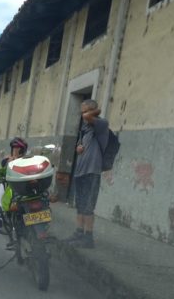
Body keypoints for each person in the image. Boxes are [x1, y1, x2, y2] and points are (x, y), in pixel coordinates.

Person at [64, 99, 109, 249]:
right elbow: (80, 145)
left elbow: (91, 116)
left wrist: (90, 112)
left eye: (85, 111)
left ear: (92, 111)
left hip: (91, 172)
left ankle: (88, 238)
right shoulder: (84, 129)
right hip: (80, 172)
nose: (82, 115)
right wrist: (79, 147)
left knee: (88, 207)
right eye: (82, 112)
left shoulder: (101, 124)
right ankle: (78, 233)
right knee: (80, 205)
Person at [0, 137, 28, 249]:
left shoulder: (28, 160)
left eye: (18, 149)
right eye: (15, 149)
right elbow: (2, 173)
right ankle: (15, 237)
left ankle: (15, 238)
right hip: (18, 193)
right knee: (8, 210)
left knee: (7, 209)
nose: (16, 151)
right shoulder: (8, 161)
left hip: (23, 193)